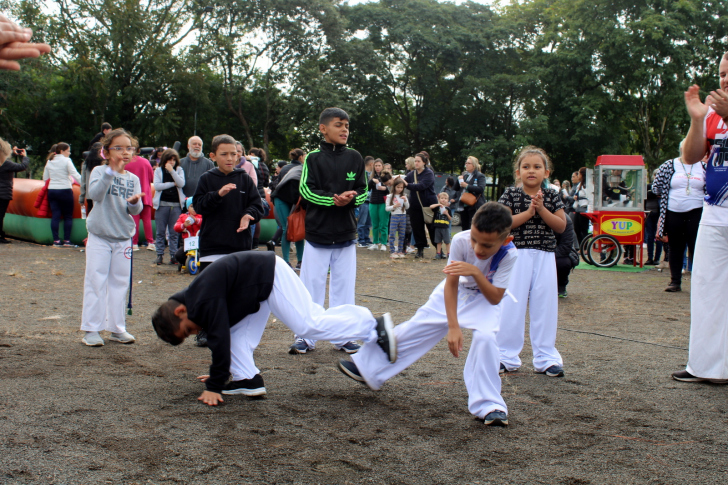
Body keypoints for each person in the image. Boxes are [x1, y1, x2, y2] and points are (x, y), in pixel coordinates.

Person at [338, 202, 517, 426]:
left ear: (505, 240)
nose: (478, 249)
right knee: (420, 324)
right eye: (474, 239)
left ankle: (490, 405)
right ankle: (368, 367)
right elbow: (451, 285)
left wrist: (475, 273)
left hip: (485, 298)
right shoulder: (461, 241)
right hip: (456, 290)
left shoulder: (509, 255)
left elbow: (495, 298)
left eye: (487, 245)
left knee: (486, 338)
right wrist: (453, 326)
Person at [152, 251, 397, 405]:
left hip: (270, 275)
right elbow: (222, 335)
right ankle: (247, 378)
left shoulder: (201, 298)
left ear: (180, 311)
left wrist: (214, 385)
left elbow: (218, 336)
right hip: (254, 291)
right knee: (236, 337)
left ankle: (371, 325)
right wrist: (222, 370)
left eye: (187, 330)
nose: (193, 333)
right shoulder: (192, 301)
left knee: (308, 324)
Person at [290, 107, 367, 355]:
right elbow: (306, 191)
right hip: (317, 234)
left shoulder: (355, 156)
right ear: (323, 129)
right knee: (311, 286)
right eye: (338, 124)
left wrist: (351, 199)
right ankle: (305, 337)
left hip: (346, 233)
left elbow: (363, 190)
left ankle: (342, 337)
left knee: (344, 288)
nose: (344, 129)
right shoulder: (312, 158)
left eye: (347, 125)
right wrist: (334, 199)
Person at [671, 54, 728, 384]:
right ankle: (705, 367)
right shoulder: (713, 114)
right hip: (714, 210)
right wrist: (697, 119)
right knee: (707, 289)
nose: (724, 80)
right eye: (722, 74)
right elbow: (690, 156)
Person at [497, 146, 567, 377]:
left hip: (545, 255)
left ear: (546, 173)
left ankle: (546, 357)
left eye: (537, 167)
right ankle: (505, 355)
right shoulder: (510, 194)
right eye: (526, 167)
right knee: (512, 305)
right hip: (516, 254)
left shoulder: (553, 196)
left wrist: (541, 209)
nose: (531, 171)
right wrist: (528, 212)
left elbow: (560, 226)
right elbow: (503, 224)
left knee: (545, 305)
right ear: (518, 171)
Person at [80, 128, 144, 347]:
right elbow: (94, 195)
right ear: (106, 152)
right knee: (95, 281)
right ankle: (91, 329)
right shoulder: (99, 171)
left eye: (129, 148)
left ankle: (117, 328)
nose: (124, 152)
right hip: (99, 235)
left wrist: (135, 202)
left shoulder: (133, 178)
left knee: (119, 283)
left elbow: (135, 211)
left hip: (123, 237)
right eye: (118, 148)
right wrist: (111, 172)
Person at [192, 134, 263, 269]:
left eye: (233, 154)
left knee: (239, 289)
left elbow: (257, 206)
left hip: (240, 247)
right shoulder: (206, 179)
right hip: (212, 249)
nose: (230, 158)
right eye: (224, 154)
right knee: (213, 289)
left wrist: (248, 215)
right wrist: (218, 195)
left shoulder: (245, 179)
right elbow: (198, 206)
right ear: (213, 156)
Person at [651, 144, 706, 292]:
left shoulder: (703, 166)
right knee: (675, 247)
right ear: (682, 150)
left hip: (697, 212)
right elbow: (656, 188)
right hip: (673, 211)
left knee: (697, 247)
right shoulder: (669, 165)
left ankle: (699, 283)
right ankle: (675, 281)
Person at [270, 148, 305, 269]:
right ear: (301, 157)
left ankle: (299, 261)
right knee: (287, 228)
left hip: (293, 198)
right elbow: (281, 187)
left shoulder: (286, 168)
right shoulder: (302, 169)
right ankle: (287, 262)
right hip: (282, 198)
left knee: (298, 228)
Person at [43, 143, 82, 246]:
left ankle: (56, 240)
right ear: (62, 151)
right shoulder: (67, 161)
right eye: (68, 151)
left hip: (52, 190)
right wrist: (85, 184)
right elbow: (75, 174)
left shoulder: (50, 161)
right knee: (68, 216)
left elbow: (45, 178)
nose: (69, 153)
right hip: (65, 190)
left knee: (55, 216)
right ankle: (67, 240)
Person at [153, 148, 186, 265]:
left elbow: (181, 184)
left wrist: (172, 172)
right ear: (164, 160)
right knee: (160, 231)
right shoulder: (158, 171)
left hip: (176, 205)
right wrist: (172, 183)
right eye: (169, 160)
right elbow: (157, 186)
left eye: (173, 160)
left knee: (174, 232)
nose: (171, 162)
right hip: (161, 205)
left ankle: (173, 255)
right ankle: (159, 255)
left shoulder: (179, 170)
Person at [402, 152, 437, 259]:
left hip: (429, 205)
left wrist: (407, 184)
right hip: (415, 206)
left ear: (424, 162)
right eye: (415, 161)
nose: (416, 163)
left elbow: (421, 186)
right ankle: (420, 250)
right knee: (417, 228)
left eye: (418, 161)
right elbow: (402, 182)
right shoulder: (411, 174)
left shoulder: (429, 173)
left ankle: (438, 250)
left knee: (432, 228)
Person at [126, 145, 155, 251]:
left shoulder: (126, 163)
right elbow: (152, 178)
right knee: (147, 220)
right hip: (145, 193)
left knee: (134, 220)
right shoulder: (146, 162)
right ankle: (150, 242)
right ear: (139, 150)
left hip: (132, 194)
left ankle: (134, 243)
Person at [0, 140, 29, 243]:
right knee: (1, 215)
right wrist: (24, 157)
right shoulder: (6, 163)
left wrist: (11, 152)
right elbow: (22, 167)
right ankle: (0, 236)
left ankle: (1, 234)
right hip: (3, 193)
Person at [173, 197, 202, 271]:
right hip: (187, 242)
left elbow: (205, 223)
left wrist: (196, 221)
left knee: (204, 254)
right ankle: (185, 262)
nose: (194, 208)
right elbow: (176, 227)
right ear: (188, 208)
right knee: (178, 255)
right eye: (192, 206)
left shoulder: (201, 216)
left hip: (200, 242)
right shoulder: (183, 217)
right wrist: (184, 225)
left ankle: (201, 264)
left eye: (196, 205)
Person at [367, 159, 390, 251]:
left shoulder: (386, 176)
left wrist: (383, 186)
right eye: (376, 166)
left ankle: (384, 243)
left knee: (383, 224)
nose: (377, 167)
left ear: (382, 166)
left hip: (383, 202)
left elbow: (390, 189)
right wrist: (372, 181)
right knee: (375, 224)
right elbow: (367, 189)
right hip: (373, 202)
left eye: (379, 165)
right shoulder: (372, 177)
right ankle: (375, 242)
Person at [459, 156, 487, 231]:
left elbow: (481, 189)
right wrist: (459, 180)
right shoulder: (465, 175)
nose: (466, 165)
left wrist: (467, 186)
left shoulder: (480, 176)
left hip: (474, 205)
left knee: (472, 226)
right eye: (466, 163)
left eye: (468, 163)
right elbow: (456, 188)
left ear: (474, 165)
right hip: (464, 205)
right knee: (464, 227)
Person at [554, 214, 578, 297]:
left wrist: (548, 256)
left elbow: (566, 246)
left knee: (563, 262)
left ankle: (561, 286)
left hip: (558, 252)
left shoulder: (566, 219)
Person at [385, 177, 409, 258]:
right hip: (394, 216)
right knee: (392, 234)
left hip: (403, 216)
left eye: (401, 187)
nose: (399, 189)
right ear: (394, 187)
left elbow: (408, 207)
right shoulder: (390, 196)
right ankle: (392, 251)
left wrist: (405, 200)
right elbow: (387, 208)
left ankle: (400, 251)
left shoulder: (404, 196)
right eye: (398, 187)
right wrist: (394, 206)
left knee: (402, 235)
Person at [644, 169, 663, 265]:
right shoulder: (648, 186)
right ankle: (649, 257)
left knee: (659, 236)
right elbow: (645, 196)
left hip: (659, 214)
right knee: (649, 236)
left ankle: (657, 258)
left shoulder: (663, 187)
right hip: (648, 213)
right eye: (656, 175)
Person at [79, 143, 103, 214]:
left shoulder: (86, 163)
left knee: (90, 214)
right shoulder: (104, 163)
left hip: (90, 194)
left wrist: (82, 198)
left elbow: (83, 181)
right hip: (103, 194)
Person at [357, 156, 375, 247]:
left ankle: (367, 238)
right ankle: (361, 240)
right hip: (363, 201)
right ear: (371, 164)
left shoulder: (372, 175)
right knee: (362, 221)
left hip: (371, 201)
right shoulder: (361, 174)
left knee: (368, 222)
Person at [430, 192, 452, 260]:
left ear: (447, 200)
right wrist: (438, 204)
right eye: (442, 198)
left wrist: (447, 214)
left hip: (445, 227)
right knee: (438, 241)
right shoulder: (437, 208)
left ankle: (449, 253)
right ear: (439, 199)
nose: (443, 200)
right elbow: (431, 207)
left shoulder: (448, 209)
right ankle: (438, 253)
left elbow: (450, 218)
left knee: (447, 242)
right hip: (437, 227)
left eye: (445, 198)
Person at [572, 167, 590, 246]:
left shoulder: (588, 185)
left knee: (583, 228)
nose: (578, 175)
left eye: (579, 173)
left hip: (584, 207)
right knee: (576, 228)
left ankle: (585, 247)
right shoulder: (580, 184)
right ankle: (580, 245)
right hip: (578, 207)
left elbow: (589, 196)